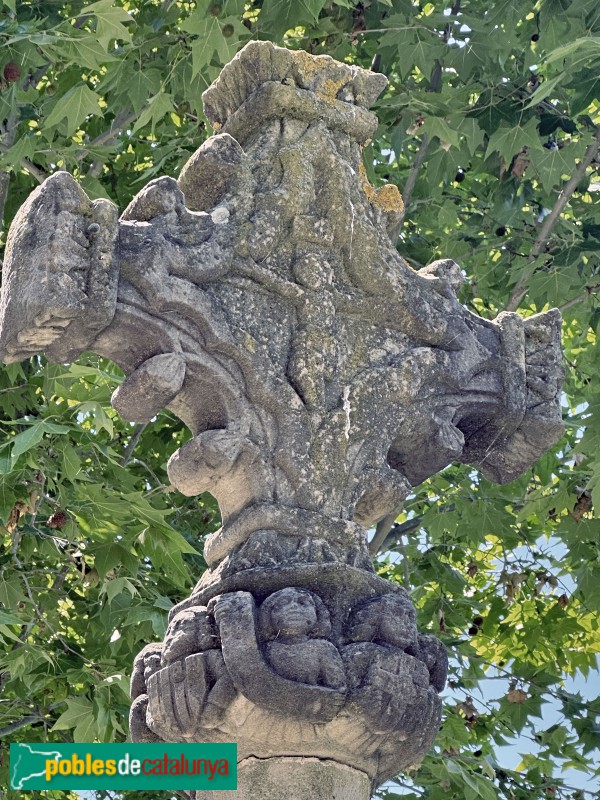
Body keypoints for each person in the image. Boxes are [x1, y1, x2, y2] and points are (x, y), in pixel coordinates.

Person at [259, 587, 346, 690]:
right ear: (267, 615)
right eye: (282, 603)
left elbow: (337, 689)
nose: (294, 606)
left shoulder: (323, 648)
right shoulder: (266, 650)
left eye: (303, 603)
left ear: (318, 614)